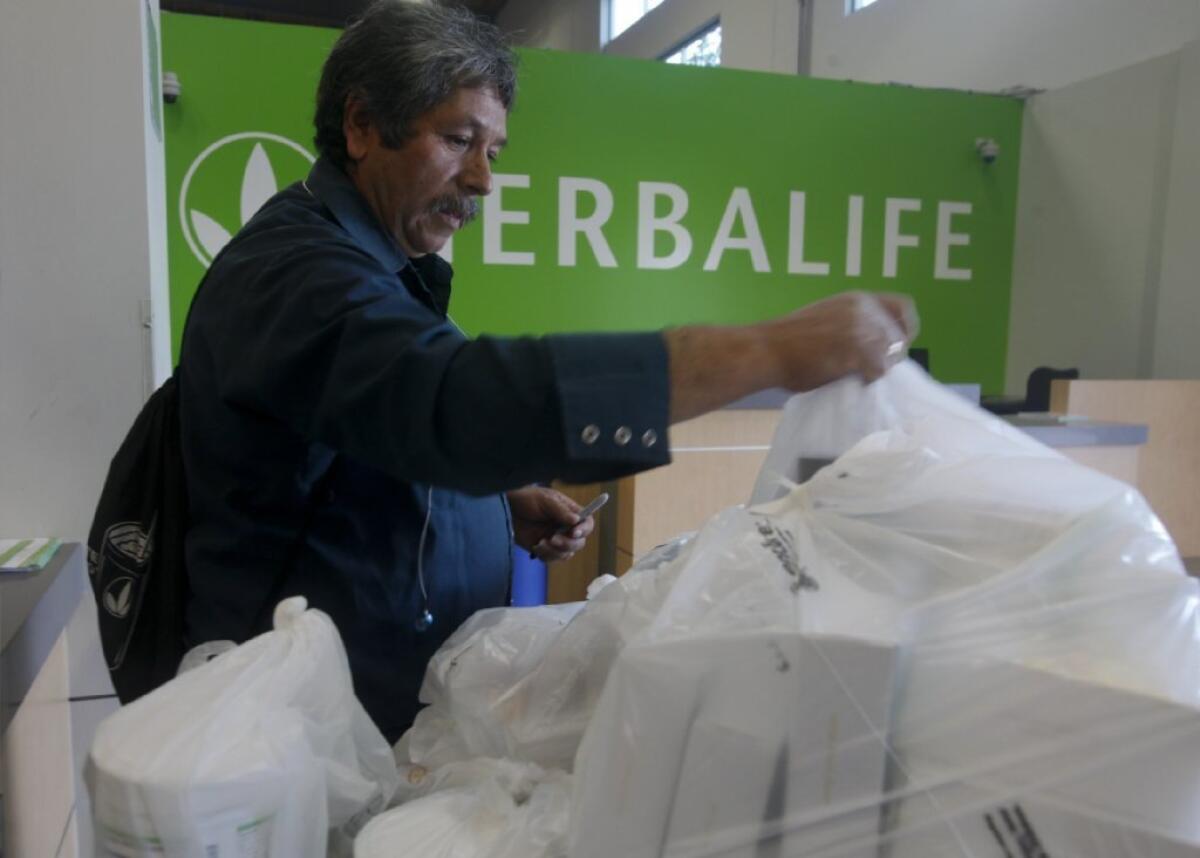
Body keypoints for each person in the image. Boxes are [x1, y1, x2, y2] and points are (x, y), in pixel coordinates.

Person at [178, 0, 917, 743]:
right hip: (299, 737)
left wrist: (493, 506)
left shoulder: (382, 266)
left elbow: (367, 428)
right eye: (457, 139)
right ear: (362, 125)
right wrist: (771, 352)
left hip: (380, 719)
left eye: (492, 151)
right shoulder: (297, 273)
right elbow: (451, 404)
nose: (481, 180)